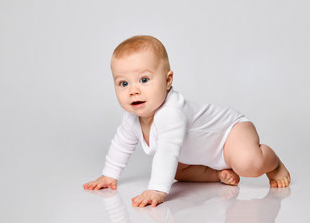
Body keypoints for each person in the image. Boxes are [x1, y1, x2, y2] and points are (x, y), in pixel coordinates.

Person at [83, 35, 291, 208]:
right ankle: (218, 174)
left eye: (144, 80)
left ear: (167, 80)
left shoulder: (171, 112)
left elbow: (166, 151)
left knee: (248, 164)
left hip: (230, 132)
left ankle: (274, 163)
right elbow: (121, 143)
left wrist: (156, 189)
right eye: (123, 83)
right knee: (177, 171)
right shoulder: (132, 117)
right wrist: (109, 175)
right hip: (203, 153)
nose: (133, 90)